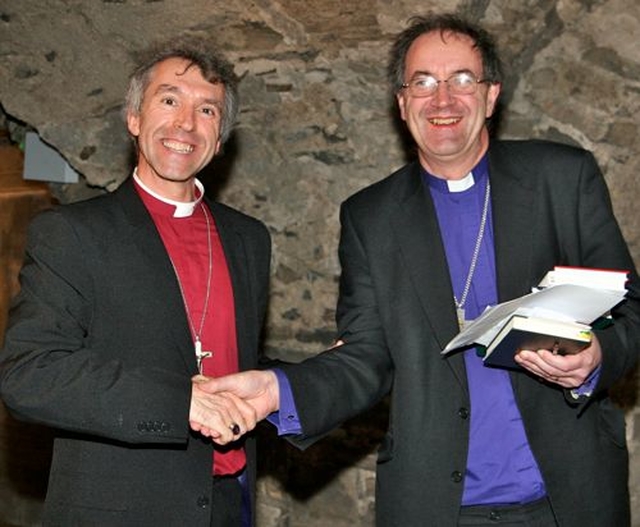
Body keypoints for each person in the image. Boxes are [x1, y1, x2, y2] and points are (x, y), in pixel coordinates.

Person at [199, 13, 640, 527]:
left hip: (570, 495)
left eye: (462, 80)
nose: (443, 100)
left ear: (492, 95)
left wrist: (596, 357)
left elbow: (629, 309)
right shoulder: (370, 217)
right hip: (437, 504)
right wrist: (279, 390)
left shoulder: (562, 179)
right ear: (402, 102)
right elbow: (367, 356)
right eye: (423, 83)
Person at [0, 37, 268, 526]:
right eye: (169, 100)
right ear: (134, 119)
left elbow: (230, 356)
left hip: (228, 506)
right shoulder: (72, 233)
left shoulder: (249, 239)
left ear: (221, 136)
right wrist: (179, 401)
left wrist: (305, 378)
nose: (186, 123)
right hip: (120, 510)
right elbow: (29, 374)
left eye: (206, 110)